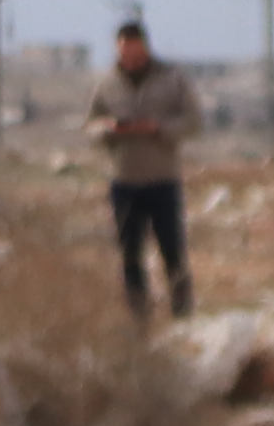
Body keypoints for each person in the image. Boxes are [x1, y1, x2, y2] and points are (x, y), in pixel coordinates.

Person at [87, 19, 202, 320]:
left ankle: (183, 315)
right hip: (124, 182)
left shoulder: (172, 79)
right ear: (117, 49)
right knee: (130, 255)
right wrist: (109, 129)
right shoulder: (106, 82)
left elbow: (194, 122)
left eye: (137, 54)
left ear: (146, 48)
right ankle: (139, 320)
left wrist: (159, 128)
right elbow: (90, 125)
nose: (131, 60)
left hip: (162, 180)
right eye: (125, 54)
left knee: (173, 252)